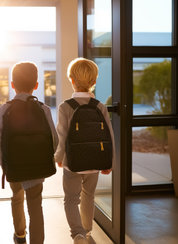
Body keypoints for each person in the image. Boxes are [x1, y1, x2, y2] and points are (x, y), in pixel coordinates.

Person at [0, 62, 58, 244]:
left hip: (14, 166)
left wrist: (3, 162)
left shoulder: (6, 109)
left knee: (16, 198)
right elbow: (55, 139)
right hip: (37, 167)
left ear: (13, 84)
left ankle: (20, 234)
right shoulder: (43, 109)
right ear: (36, 85)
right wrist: (44, 157)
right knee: (36, 205)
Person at [55, 58, 115, 243]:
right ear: (94, 81)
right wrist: (109, 161)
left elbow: (62, 135)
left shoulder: (65, 106)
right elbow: (110, 136)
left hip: (72, 162)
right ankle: (87, 231)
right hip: (95, 162)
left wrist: (59, 156)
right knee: (88, 196)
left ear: (71, 79)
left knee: (71, 199)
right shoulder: (100, 106)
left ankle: (78, 233)